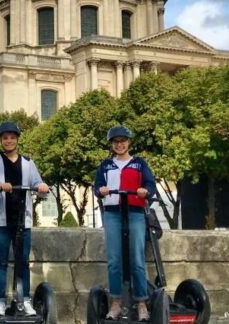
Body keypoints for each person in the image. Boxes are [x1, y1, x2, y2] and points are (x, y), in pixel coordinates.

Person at [0, 121, 50, 317]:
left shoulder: (28, 163)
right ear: (1, 141)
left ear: (17, 140)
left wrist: (42, 186)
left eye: (12, 137)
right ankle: (0, 300)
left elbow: (38, 183)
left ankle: (24, 299)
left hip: (23, 220)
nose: (9, 141)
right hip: (2, 221)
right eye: (5, 138)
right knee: (1, 262)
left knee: (23, 261)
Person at [93, 126, 157, 321]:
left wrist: (145, 191)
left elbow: (150, 185)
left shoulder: (139, 163)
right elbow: (97, 187)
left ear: (129, 142)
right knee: (114, 260)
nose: (119, 145)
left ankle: (141, 303)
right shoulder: (106, 165)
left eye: (123, 141)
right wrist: (101, 190)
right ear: (112, 145)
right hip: (113, 213)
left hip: (135, 211)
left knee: (137, 259)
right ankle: (116, 302)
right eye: (116, 142)